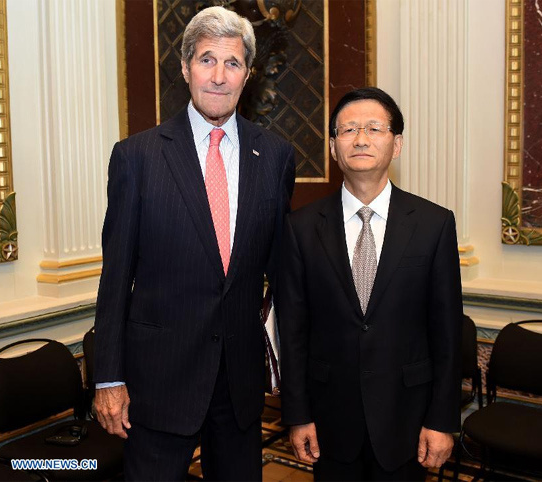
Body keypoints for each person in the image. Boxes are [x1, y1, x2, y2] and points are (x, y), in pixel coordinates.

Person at [93, 6, 295, 481]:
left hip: (239, 389)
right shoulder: (137, 157)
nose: (219, 77)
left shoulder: (276, 157)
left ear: (248, 73)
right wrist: (108, 377)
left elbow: (283, 278)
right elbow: (116, 277)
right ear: (185, 68)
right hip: (159, 384)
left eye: (232, 63)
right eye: (207, 60)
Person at [279, 87, 462, 481]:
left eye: (374, 128)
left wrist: (442, 420)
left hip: (408, 420)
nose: (360, 138)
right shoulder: (300, 228)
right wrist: (297, 415)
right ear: (333, 147)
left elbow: (446, 333)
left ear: (396, 145)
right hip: (329, 421)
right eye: (348, 130)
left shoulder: (434, 225)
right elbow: (293, 331)